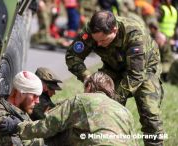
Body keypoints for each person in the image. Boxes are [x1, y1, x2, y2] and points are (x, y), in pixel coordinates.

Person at [65, 10, 164, 146]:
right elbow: (72, 56)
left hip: (144, 69)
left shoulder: (134, 34)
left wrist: (114, 98)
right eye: (96, 40)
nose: (98, 44)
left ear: (115, 30)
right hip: (113, 66)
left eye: (103, 40)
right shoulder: (92, 30)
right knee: (97, 105)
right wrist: (87, 77)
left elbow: (135, 75)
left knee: (149, 113)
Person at [0, 72, 138, 146]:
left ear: (89, 87)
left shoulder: (82, 99)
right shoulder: (125, 112)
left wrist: (17, 127)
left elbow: (48, 125)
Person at [0, 71, 44, 146]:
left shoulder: (17, 112)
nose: (37, 101)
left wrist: (20, 125)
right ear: (21, 93)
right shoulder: (4, 124)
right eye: (35, 96)